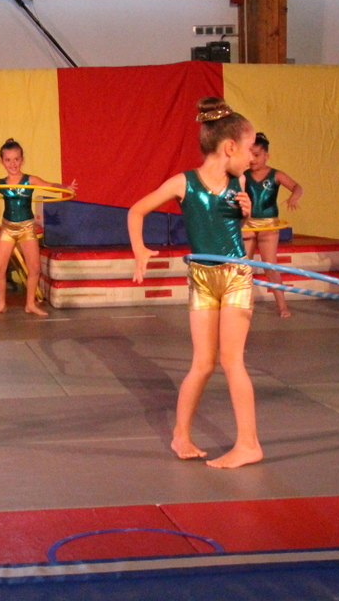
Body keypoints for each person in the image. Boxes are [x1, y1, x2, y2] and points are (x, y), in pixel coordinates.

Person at [128, 97, 262, 468]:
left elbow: (234, 226)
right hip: (202, 278)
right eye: (250, 149)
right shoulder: (183, 183)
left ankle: (249, 444)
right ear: (230, 147)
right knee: (202, 363)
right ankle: (181, 434)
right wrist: (140, 248)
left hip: (236, 275)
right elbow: (137, 210)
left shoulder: (239, 182)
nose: (253, 158)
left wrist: (246, 214)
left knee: (232, 361)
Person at [0, 138, 74, 316]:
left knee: (34, 268)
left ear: (22, 160)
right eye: (8, 160)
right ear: (2, 162)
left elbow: (49, 186)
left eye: (16, 159)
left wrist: (66, 187)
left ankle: (30, 304)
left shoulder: (29, 180)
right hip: (8, 229)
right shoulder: (0, 183)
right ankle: (1, 304)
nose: (13, 163)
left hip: (26, 228)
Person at [243, 132, 302, 317]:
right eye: (249, 155)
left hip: (268, 225)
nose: (252, 159)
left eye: (257, 155)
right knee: (244, 266)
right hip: (247, 224)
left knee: (270, 266)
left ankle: (282, 306)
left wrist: (294, 197)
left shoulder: (276, 175)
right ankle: (243, 305)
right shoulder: (243, 176)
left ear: (266, 155)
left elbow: (297, 187)